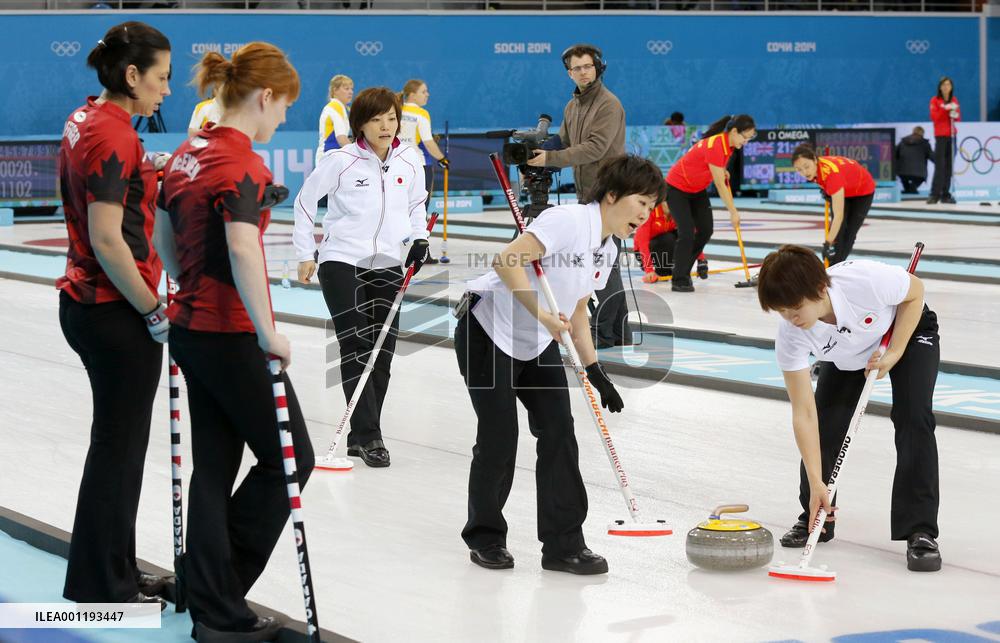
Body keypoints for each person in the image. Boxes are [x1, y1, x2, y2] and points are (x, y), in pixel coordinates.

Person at [154, 42, 313, 641]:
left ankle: (207, 594)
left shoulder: (186, 153)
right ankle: (218, 596)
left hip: (190, 326)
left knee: (214, 467)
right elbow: (244, 247)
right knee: (290, 458)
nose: (283, 120)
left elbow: (162, 236)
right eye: (284, 107)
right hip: (230, 333)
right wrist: (268, 332)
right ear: (265, 97)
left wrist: (189, 286)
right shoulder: (242, 163)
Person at [454, 154, 666, 575]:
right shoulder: (567, 221)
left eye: (652, 206)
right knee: (499, 437)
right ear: (612, 195)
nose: (646, 214)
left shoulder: (607, 248)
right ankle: (486, 537)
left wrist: (595, 371)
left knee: (559, 433)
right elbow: (506, 261)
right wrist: (543, 316)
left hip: (537, 340)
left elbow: (579, 311)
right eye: (641, 202)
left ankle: (563, 545)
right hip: (488, 331)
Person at [56, 21, 172, 610]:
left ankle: (112, 571)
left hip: (86, 300)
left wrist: (149, 168)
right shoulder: (114, 135)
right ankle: (103, 585)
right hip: (114, 307)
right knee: (119, 451)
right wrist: (152, 309)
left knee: (116, 447)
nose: (166, 91)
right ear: (131, 75)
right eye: (161, 78)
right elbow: (107, 238)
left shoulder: (87, 117)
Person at [756, 244, 942, 573]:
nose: (791, 319)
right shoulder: (792, 333)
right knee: (825, 425)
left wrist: (894, 353)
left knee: (913, 417)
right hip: (847, 355)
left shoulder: (866, 281)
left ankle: (920, 530)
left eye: (795, 308)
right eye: (782, 312)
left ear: (819, 289)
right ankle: (817, 515)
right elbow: (804, 413)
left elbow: (915, 292)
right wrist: (817, 481)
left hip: (905, 332)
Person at [293, 87, 431, 468]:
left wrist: (420, 238)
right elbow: (305, 202)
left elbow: (417, 204)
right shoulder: (341, 161)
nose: (386, 126)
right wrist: (305, 253)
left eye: (392, 118)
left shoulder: (409, 159)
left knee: (382, 352)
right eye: (376, 120)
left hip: (387, 261)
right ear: (360, 125)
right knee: (356, 343)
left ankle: (360, 435)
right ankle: (371, 436)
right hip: (341, 260)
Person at [526, 44, 628, 347]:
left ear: (598, 68)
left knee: (602, 261)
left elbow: (596, 147)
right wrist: (538, 151)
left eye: (587, 67)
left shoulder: (608, 104)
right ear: (569, 73)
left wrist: (551, 159)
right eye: (576, 68)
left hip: (610, 193)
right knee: (601, 261)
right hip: (588, 192)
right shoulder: (573, 106)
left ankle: (607, 330)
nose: (583, 73)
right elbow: (565, 140)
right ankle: (618, 330)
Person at [665, 114, 755, 293]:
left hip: (696, 189)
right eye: (745, 137)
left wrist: (722, 170)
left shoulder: (729, 145)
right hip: (677, 188)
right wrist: (733, 212)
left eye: (749, 139)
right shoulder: (716, 145)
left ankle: (683, 269)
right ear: (734, 132)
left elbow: (712, 166)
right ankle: (679, 278)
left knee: (706, 230)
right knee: (686, 232)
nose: (745, 142)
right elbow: (720, 184)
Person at [791, 143, 876, 265]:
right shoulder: (816, 168)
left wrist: (827, 243)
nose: (804, 172)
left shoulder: (832, 176)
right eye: (799, 170)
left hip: (862, 191)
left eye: (806, 166)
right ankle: (834, 263)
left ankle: (836, 265)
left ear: (815, 160)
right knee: (838, 233)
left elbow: (838, 216)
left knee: (849, 233)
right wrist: (826, 190)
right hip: (843, 187)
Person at [633, 201, 708, 283]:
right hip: (643, 251)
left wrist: (701, 261)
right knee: (667, 239)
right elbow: (643, 243)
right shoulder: (649, 212)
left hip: (664, 246)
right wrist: (649, 270)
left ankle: (670, 267)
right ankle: (662, 270)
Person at [928, 76, 960, 205]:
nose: (946, 87)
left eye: (948, 85)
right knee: (940, 165)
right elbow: (934, 117)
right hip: (941, 136)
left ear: (951, 87)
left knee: (949, 166)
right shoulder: (935, 100)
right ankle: (934, 194)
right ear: (940, 87)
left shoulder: (954, 100)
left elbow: (958, 118)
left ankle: (945, 194)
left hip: (952, 136)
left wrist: (953, 112)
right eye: (944, 85)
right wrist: (944, 109)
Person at [316, 73, 353, 164]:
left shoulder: (339, 107)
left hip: (331, 157)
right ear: (335, 90)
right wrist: (357, 155)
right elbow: (341, 139)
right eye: (346, 88)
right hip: (329, 157)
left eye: (351, 89)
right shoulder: (335, 107)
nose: (351, 92)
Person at [895, 126, 933, 194]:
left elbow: (895, 154)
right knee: (918, 179)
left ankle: (907, 189)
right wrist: (942, 163)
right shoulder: (925, 143)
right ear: (922, 133)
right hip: (919, 174)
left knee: (903, 176)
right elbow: (932, 156)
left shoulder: (902, 142)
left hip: (902, 172)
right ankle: (913, 187)